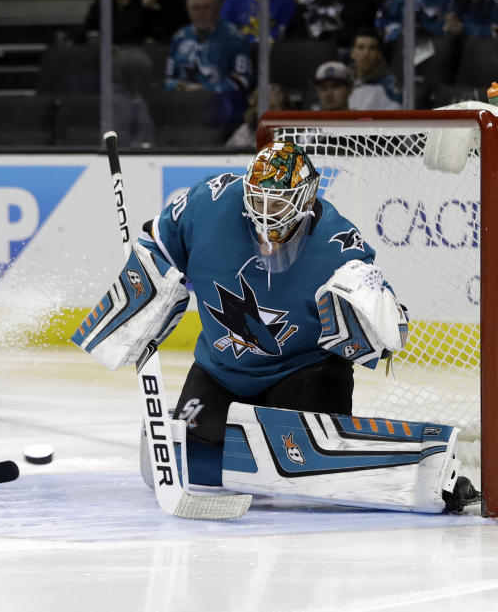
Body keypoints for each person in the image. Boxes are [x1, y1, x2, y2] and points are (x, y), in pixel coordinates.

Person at [72, 141, 481, 514]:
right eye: (259, 205)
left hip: (304, 373)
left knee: (312, 463)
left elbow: (388, 340)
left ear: (305, 200)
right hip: (221, 371)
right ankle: (236, 445)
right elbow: (157, 242)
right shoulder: (209, 202)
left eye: (279, 207)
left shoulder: (338, 245)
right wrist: (147, 279)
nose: (267, 222)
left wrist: (376, 318)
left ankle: (402, 475)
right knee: (175, 462)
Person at [164, 0, 252, 127]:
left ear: (217, 9)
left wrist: (203, 89)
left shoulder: (234, 37)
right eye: (196, 8)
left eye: (206, 8)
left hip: (219, 104)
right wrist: (181, 87)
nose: (201, 13)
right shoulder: (180, 37)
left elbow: (242, 80)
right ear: (188, 11)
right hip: (182, 103)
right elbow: (168, 79)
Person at [224, 83, 293, 148]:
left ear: (284, 109)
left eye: (272, 107)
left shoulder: (293, 134)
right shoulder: (244, 132)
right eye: (263, 107)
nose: (267, 112)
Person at [348, 27, 402, 110]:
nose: (366, 53)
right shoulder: (344, 81)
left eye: (372, 48)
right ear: (352, 53)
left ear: (379, 55)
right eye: (361, 47)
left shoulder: (389, 85)